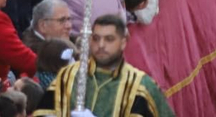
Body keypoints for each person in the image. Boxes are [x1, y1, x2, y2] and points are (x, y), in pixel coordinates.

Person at [31, 14, 171, 116]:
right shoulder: (68, 76)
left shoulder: (142, 86)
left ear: (123, 43)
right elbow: (43, 113)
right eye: (96, 39)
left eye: (109, 39)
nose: (101, 45)